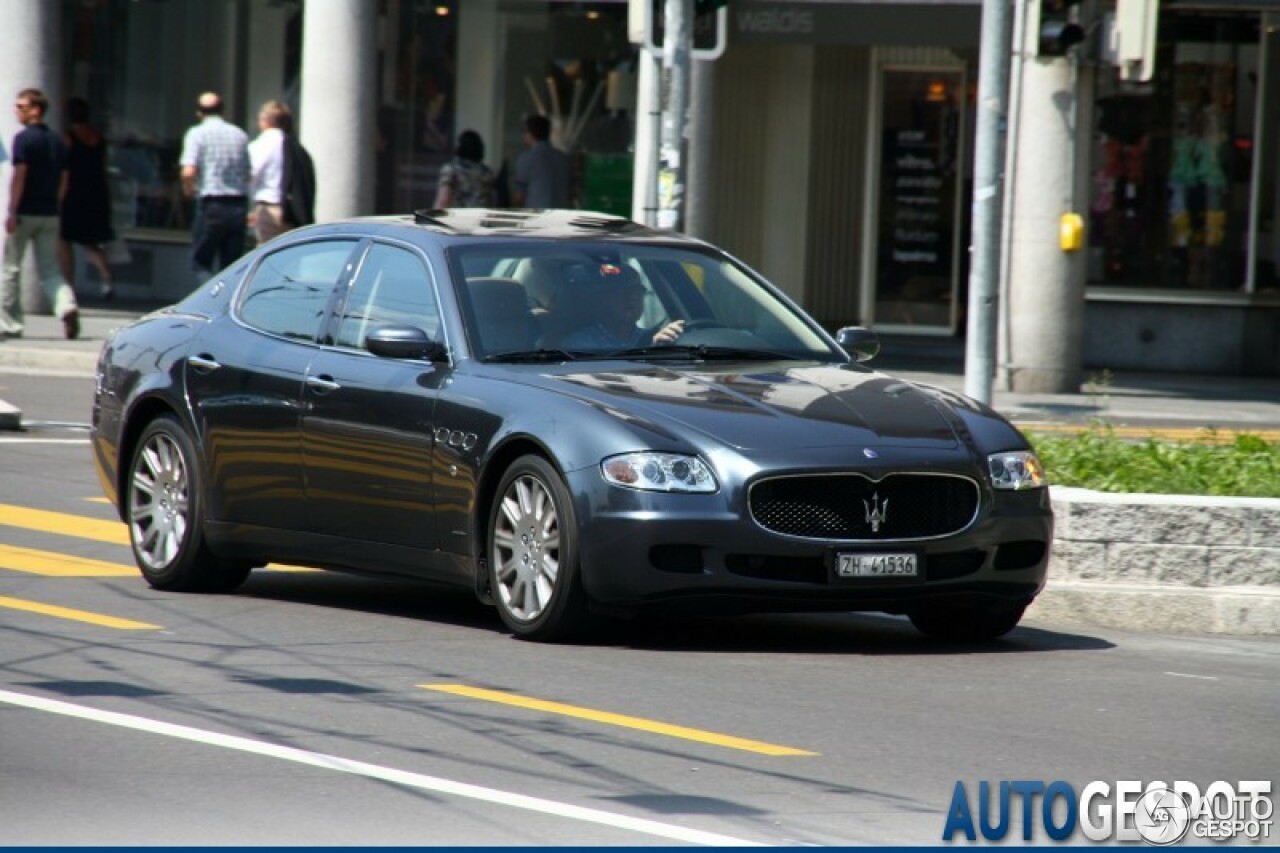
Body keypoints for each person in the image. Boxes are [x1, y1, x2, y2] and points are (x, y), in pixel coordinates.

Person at [1, 88, 79, 340]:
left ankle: (10, 323)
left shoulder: (24, 139)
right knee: (50, 269)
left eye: (22, 107)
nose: (17, 111)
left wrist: (12, 210)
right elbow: (65, 179)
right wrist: (55, 204)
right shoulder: (57, 141)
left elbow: (19, 176)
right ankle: (66, 306)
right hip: (49, 213)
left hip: (25, 211)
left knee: (11, 269)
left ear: (36, 109)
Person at [179, 91, 250, 282]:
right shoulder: (239, 135)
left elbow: (188, 171)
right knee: (232, 266)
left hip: (212, 203)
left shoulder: (196, 133)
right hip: (237, 204)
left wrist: (188, 189)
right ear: (223, 110)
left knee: (200, 262)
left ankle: (209, 298)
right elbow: (247, 173)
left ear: (199, 113)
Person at [58, 97, 116, 301]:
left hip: (75, 192)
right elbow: (104, 164)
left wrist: (59, 197)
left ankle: (68, 285)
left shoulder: (68, 137)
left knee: (64, 239)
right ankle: (106, 275)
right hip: (97, 190)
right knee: (91, 242)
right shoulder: (98, 137)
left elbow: (64, 170)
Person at [559, 263, 683, 350]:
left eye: (637, 290)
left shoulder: (654, 338)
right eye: (622, 291)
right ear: (603, 298)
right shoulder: (579, 345)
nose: (632, 297)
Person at [248, 99, 315, 243]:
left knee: (268, 255)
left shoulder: (262, 144)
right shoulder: (296, 147)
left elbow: (251, 174)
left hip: (268, 208)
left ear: (265, 121)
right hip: (292, 211)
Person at [512, 114, 570, 209]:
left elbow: (519, 195)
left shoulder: (527, 158)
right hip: (561, 214)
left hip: (536, 215)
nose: (522, 135)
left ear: (530, 134)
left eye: (524, 131)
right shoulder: (563, 158)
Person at [433, 129, 495, 208]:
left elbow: (443, 200)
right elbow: (491, 200)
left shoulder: (450, 170)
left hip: (456, 217)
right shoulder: (487, 173)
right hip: (481, 217)